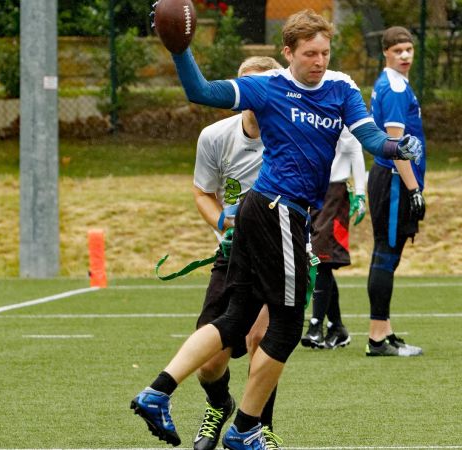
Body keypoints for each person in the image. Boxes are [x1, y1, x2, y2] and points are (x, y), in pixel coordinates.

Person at [131, 9, 421, 449]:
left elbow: (372, 139)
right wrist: (180, 49)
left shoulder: (341, 87)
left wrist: (398, 146)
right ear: (287, 52)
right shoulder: (267, 87)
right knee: (285, 326)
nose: (319, 61)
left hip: (269, 211)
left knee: (237, 317)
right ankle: (246, 428)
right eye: (309, 54)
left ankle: (159, 390)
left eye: (325, 52)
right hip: (277, 211)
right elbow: (198, 90)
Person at [191, 56, 283, 450]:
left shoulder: (291, 137)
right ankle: (219, 404)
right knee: (209, 363)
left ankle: (260, 427)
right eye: (249, 86)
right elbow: (202, 192)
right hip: (232, 259)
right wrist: (223, 224)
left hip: (280, 255)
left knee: (262, 339)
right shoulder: (215, 136)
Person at [365, 26, 426, 357]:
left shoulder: (397, 84)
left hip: (394, 181)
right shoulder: (394, 87)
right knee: (385, 256)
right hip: (393, 180)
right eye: (398, 50)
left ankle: (384, 331)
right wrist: (414, 188)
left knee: (390, 255)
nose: (405, 55)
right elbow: (397, 146)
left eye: (409, 50)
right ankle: (376, 339)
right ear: (385, 52)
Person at [301, 127, 366, 349]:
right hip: (310, 190)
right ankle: (337, 327)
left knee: (320, 257)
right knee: (318, 259)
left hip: (333, 192)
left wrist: (360, 192)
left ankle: (316, 325)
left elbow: (355, 147)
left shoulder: (340, 96)